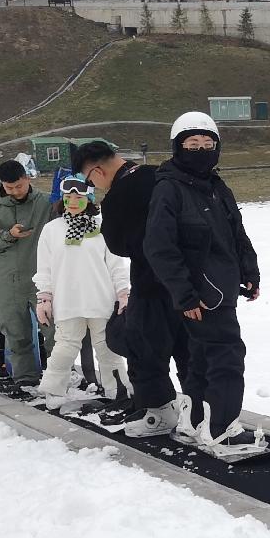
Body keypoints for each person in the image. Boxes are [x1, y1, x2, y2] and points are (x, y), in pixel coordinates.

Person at [144, 111, 268, 460]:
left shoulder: (216, 187)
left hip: (222, 289)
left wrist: (250, 271)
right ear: (177, 148)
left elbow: (235, 233)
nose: (201, 150)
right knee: (227, 357)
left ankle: (195, 420)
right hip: (200, 295)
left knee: (199, 357)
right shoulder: (169, 189)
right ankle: (222, 429)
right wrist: (183, 295)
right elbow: (160, 248)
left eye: (207, 144)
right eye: (192, 144)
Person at [73, 138, 191, 439]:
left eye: (90, 182)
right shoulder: (160, 175)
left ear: (97, 172)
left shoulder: (117, 196)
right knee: (190, 348)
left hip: (151, 282)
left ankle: (159, 411)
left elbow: (119, 246)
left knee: (143, 346)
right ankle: (197, 409)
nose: (94, 188)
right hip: (187, 279)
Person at [33, 174, 130, 405]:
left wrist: (123, 293)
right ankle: (54, 392)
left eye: (79, 196)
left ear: (89, 198)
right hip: (67, 300)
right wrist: (44, 297)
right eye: (68, 196)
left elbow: (117, 264)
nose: (73, 201)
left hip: (101, 299)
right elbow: (44, 267)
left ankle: (118, 391)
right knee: (65, 347)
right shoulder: (51, 230)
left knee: (107, 348)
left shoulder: (103, 228)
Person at [0, 159, 55, 384]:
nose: (14, 191)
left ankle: (61, 376)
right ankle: (25, 379)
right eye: (8, 188)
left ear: (27, 178)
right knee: (16, 334)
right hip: (7, 281)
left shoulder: (46, 202)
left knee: (54, 331)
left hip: (42, 278)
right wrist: (8, 234)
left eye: (18, 186)